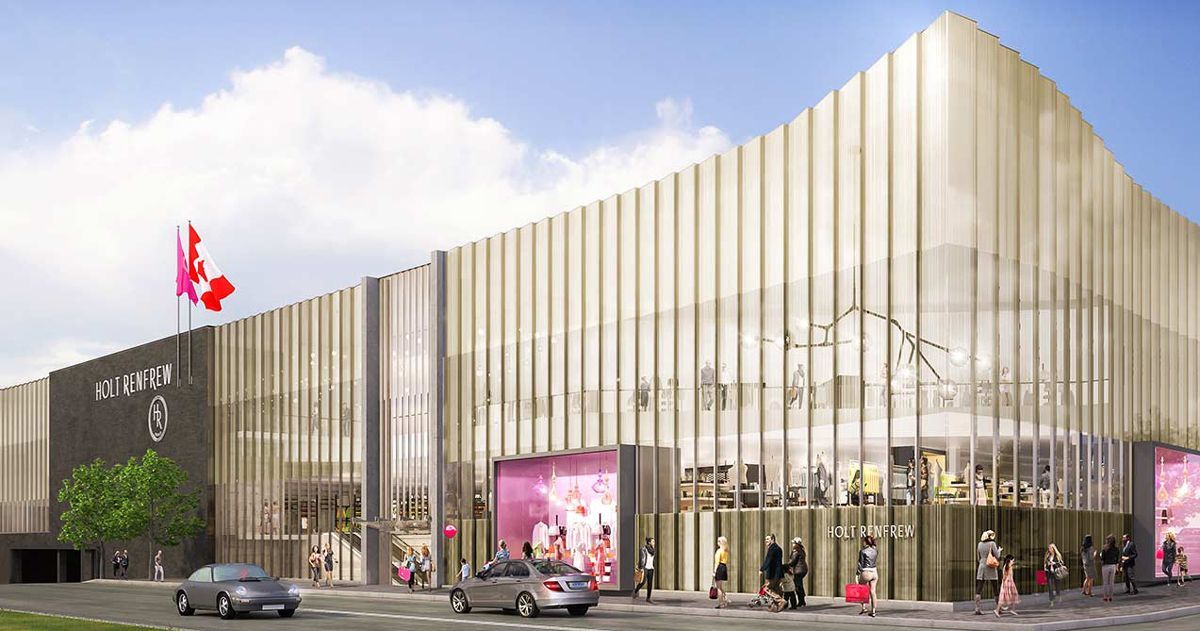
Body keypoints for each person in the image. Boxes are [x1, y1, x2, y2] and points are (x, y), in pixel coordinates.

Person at [975, 530, 1001, 615]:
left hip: (982, 566)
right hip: (991, 567)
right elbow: (997, 555)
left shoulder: (979, 544)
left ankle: (977, 608)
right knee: (995, 587)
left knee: (979, 588)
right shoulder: (992, 544)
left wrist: (983, 561)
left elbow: (978, 557)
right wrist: (999, 550)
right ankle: (998, 608)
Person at [857, 535, 879, 617]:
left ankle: (864, 607)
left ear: (866, 542)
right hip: (874, 572)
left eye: (863, 541)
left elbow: (861, 564)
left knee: (861, 589)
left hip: (866, 572)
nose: (862, 542)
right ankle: (873, 611)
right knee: (873, 592)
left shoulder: (863, 551)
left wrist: (858, 572)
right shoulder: (875, 550)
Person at [760, 534, 784, 607]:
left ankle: (780, 600)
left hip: (773, 573)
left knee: (767, 588)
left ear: (772, 539)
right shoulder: (779, 548)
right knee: (777, 589)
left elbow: (768, 560)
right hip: (778, 573)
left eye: (768, 539)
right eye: (766, 539)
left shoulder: (772, 548)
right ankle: (777, 605)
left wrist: (762, 569)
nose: (766, 541)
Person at [785, 537, 808, 608]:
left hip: (798, 571)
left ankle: (801, 601)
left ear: (796, 543)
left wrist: (785, 566)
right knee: (799, 585)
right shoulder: (801, 550)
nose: (792, 544)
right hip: (803, 570)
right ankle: (802, 601)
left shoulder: (796, 551)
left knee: (797, 586)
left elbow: (792, 561)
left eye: (793, 543)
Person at [632, 537, 656, 603]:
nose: (654, 543)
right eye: (653, 542)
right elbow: (641, 559)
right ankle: (636, 591)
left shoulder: (653, 550)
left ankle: (648, 598)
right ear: (649, 542)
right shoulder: (643, 549)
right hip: (645, 567)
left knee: (650, 583)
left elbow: (653, 559)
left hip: (651, 568)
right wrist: (641, 568)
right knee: (643, 582)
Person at [1100, 534, 1120, 602]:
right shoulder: (1116, 549)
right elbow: (1117, 559)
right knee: (1111, 582)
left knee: (1105, 582)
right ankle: (1111, 596)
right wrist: (1117, 567)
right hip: (1113, 566)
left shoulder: (1105, 548)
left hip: (1106, 566)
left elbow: (1102, 558)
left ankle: (1105, 596)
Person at [713, 536, 730, 609]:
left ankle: (721, 603)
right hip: (724, 567)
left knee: (718, 587)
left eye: (718, 541)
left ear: (720, 543)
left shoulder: (719, 551)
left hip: (719, 567)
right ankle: (725, 599)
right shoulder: (726, 551)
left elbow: (717, 562)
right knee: (720, 586)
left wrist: (714, 571)